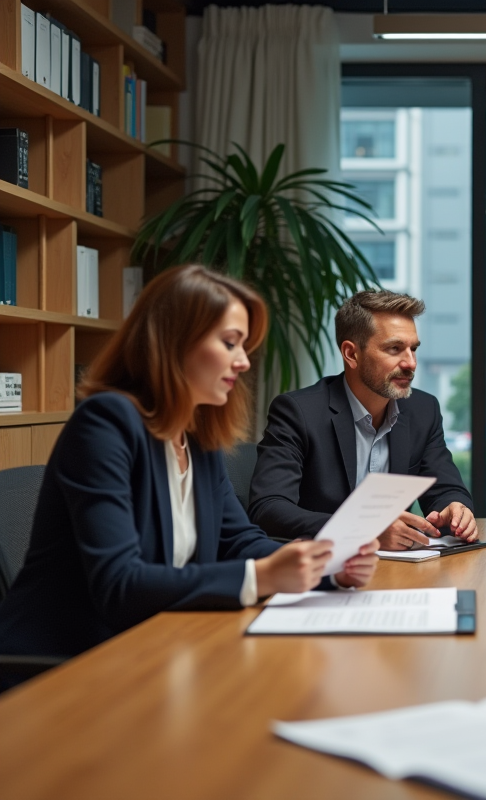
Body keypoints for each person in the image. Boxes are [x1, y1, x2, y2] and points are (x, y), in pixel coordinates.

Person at [0, 265, 379, 664]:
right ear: (174, 342)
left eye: (244, 347)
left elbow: (237, 541)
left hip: (156, 647)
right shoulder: (106, 423)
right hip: (65, 666)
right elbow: (119, 584)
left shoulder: (195, 433)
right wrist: (261, 577)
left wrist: (328, 569)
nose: (244, 362)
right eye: (230, 343)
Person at [250, 290, 476, 551]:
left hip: (398, 571)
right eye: (394, 348)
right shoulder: (298, 412)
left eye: (413, 349)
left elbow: (445, 489)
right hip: (322, 572)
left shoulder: (423, 410)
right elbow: (268, 508)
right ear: (351, 354)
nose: (411, 363)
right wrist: (362, 533)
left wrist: (456, 509)